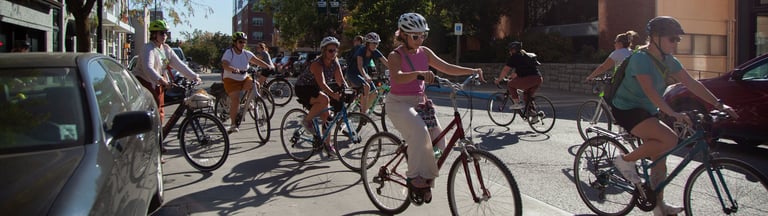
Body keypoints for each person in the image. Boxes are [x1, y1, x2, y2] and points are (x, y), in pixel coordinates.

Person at [609, 16, 739, 216]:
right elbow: (650, 90)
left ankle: (659, 208)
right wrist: (673, 113)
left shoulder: (669, 61)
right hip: (627, 108)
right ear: (655, 38)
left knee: (660, 160)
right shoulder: (640, 58)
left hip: (648, 109)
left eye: (678, 39)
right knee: (669, 138)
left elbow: (692, 84)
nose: (676, 43)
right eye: (672, 39)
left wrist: (719, 104)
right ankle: (625, 160)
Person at [386, 12, 484, 201]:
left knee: (439, 142)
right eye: (416, 36)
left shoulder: (425, 52)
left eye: (424, 35)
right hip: (398, 103)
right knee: (420, 133)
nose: (420, 39)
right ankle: (415, 178)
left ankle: (426, 174)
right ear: (403, 35)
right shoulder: (394, 55)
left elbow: (446, 67)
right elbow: (397, 77)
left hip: (420, 102)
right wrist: (418, 73)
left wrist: (471, 71)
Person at [135, 20, 201, 125]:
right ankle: (153, 136)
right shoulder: (148, 48)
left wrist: (194, 76)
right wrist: (162, 80)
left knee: (160, 111)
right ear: (154, 34)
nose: (164, 35)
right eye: (161, 33)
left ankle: (159, 135)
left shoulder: (166, 49)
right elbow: (148, 68)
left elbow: (179, 65)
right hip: (145, 82)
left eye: (166, 33)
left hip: (158, 83)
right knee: (154, 111)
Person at [293, 36, 347, 154]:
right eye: (330, 50)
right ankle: (307, 121)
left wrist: (347, 89)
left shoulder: (335, 61)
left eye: (335, 50)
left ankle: (327, 144)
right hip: (303, 88)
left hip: (316, 89)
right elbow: (322, 84)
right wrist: (334, 95)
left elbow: (340, 79)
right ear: (323, 51)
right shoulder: (317, 64)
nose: (333, 53)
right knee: (324, 99)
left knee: (327, 117)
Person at [221, 32, 274, 133]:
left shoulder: (246, 53)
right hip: (231, 80)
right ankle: (233, 124)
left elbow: (256, 60)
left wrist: (268, 66)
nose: (243, 44)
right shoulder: (229, 52)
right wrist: (233, 69)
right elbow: (225, 65)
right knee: (235, 101)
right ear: (235, 43)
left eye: (244, 42)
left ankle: (247, 102)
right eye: (240, 42)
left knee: (256, 84)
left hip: (244, 78)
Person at [493, 41, 543, 120]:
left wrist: (499, 79)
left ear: (513, 50)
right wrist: (510, 77)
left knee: (510, 84)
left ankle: (517, 103)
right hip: (538, 78)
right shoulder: (525, 55)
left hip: (529, 79)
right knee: (527, 96)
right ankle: (534, 115)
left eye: (510, 50)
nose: (509, 52)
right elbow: (518, 72)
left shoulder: (514, 57)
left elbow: (506, 69)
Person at [346, 32, 389, 113]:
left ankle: (364, 109)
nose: (375, 45)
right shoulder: (361, 50)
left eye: (377, 43)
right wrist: (365, 76)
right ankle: (363, 113)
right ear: (368, 43)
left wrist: (397, 71)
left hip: (362, 74)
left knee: (375, 92)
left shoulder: (374, 51)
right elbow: (360, 66)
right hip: (353, 73)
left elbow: (386, 62)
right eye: (374, 43)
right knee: (366, 87)